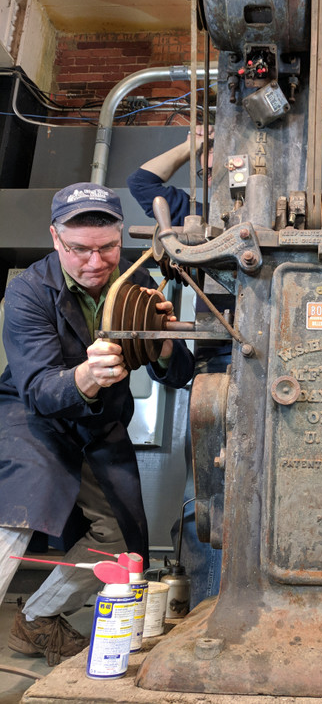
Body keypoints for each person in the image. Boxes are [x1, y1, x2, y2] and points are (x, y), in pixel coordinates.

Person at [0, 182, 195, 665]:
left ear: (121, 235)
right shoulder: (27, 292)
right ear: (55, 238)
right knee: (20, 510)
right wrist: (85, 377)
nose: (95, 262)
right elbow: (41, 388)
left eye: (107, 247)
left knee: (121, 541)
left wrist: (164, 343)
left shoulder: (137, 279)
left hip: (101, 425)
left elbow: (180, 372)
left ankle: (38, 620)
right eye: (79, 250)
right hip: (34, 417)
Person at [127, 128, 224, 609]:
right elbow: (141, 182)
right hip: (222, 362)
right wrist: (194, 144)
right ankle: (209, 608)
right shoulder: (194, 210)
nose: (216, 171)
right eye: (209, 165)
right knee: (207, 491)